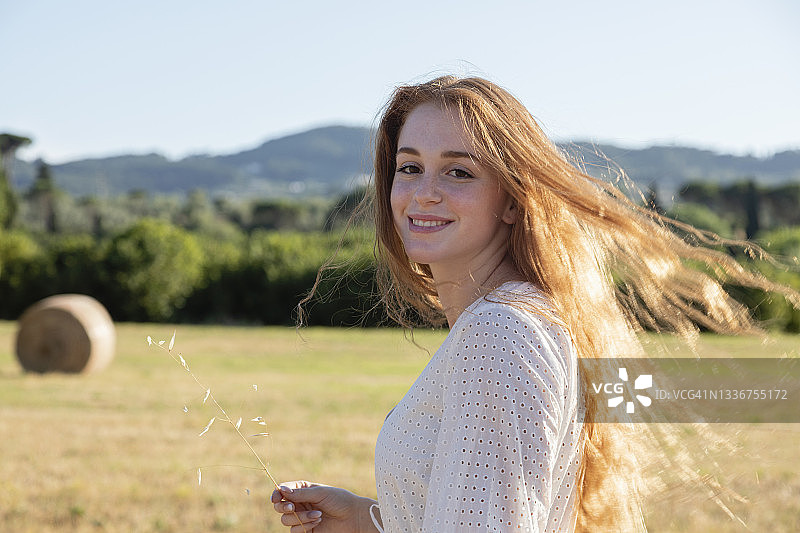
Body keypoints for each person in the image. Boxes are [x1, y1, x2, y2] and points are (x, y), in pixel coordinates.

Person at [271, 76, 798, 532]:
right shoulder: (514, 320)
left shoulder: (499, 335)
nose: (423, 192)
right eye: (409, 168)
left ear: (511, 200)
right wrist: (370, 520)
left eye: (459, 172)